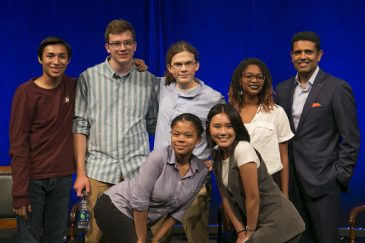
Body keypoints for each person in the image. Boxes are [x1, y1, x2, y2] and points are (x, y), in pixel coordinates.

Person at [73, 19, 159, 243]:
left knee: (135, 236)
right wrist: (81, 173)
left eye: (127, 43)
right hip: (99, 170)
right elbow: (80, 126)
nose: (122, 48)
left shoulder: (148, 80)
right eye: (116, 43)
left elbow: (154, 124)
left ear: (135, 45)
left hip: (136, 171)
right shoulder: (88, 78)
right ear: (107, 47)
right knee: (94, 236)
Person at [275, 31, 360, 243]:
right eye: (298, 52)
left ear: (319, 55)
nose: (303, 56)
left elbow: (351, 139)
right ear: (291, 56)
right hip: (290, 183)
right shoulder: (283, 89)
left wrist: (339, 176)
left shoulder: (337, 88)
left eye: (308, 52)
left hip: (323, 182)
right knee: (296, 239)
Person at [93, 113, 209, 243]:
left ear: (198, 139)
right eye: (176, 134)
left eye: (188, 135)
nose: (180, 139)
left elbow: (179, 211)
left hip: (136, 218)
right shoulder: (158, 157)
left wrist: (155, 239)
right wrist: (142, 239)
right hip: (114, 205)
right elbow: (140, 201)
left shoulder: (201, 171)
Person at [152, 41, 225, 242]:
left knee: (196, 234)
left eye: (188, 63)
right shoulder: (160, 87)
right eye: (177, 64)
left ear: (197, 66)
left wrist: (214, 158)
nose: (183, 69)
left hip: (194, 175)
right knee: (158, 234)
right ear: (170, 68)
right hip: (161, 175)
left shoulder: (213, 98)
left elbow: (224, 132)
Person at [9, 36, 75, 242]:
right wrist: (20, 193)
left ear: (68, 60)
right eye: (50, 56)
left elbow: (105, 77)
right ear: (40, 59)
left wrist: (135, 65)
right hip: (32, 181)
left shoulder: (74, 87)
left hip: (63, 179)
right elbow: (18, 145)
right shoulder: (26, 93)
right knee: (29, 238)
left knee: (56, 237)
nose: (56, 61)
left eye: (62, 56)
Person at [207, 103, 304, 243]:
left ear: (237, 128)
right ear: (209, 128)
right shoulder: (216, 154)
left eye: (229, 126)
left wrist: (249, 233)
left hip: (280, 223)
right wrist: (240, 232)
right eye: (217, 126)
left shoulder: (243, 149)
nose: (223, 132)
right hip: (257, 224)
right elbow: (225, 196)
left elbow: (253, 198)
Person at [228, 58, 293, 197]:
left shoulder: (277, 112)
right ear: (239, 79)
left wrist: (285, 194)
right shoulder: (229, 113)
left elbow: (284, 158)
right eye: (248, 76)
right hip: (237, 184)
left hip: (270, 183)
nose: (254, 80)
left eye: (259, 77)